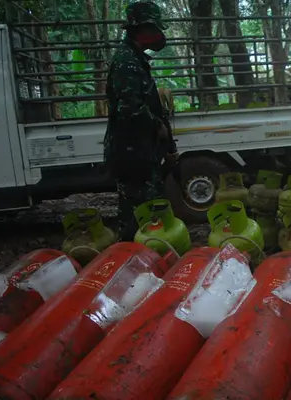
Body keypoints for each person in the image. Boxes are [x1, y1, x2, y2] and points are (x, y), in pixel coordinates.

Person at [104, 1, 177, 241]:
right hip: (132, 151)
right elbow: (130, 107)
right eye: (155, 28)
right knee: (139, 214)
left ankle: (144, 256)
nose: (159, 35)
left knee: (145, 210)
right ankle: (134, 258)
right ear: (142, 29)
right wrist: (157, 126)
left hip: (140, 149)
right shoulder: (127, 61)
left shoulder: (135, 58)